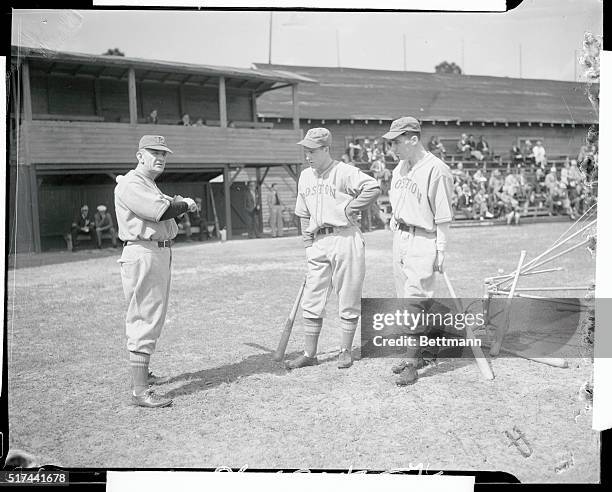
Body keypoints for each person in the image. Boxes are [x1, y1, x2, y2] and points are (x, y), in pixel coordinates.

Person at [286, 128, 381, 371]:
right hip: (318, 241)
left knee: (347, 296)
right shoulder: (305, 176)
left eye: (313, 151)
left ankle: (345, 350)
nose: (308, 156)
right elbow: (303, 215)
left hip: (344, 237)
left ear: (326, 149)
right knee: (312, 298)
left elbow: (372, 186)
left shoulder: (344, 171)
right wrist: (307, 245)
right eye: (306, 151)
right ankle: (309, 353)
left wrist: (352, 207)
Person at [114, 135, 198, 408]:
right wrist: (184, 204)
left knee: (152, 314)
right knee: (144, 316)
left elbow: (165, 212)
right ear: (139, 155)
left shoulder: (148, 184)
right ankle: (139, 392)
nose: (160, 158)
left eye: (164, 154)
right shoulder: (130, 182)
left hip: (156, 252)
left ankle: (144, 375)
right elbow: (162, 212)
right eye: (154, 153)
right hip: (143, 251)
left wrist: (179, 205)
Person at [382, 117, 453, 386]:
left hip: (423, 238)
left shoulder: (437, 169)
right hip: (400, 236)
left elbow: (443, 216)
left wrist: (441, 249)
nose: (393, 148)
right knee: (404, 300)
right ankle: (417, 353)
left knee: (414, 301)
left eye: (397, 142)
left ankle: (413, 362)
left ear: (413, 139)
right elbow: (396, 200)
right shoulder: (399, 168)